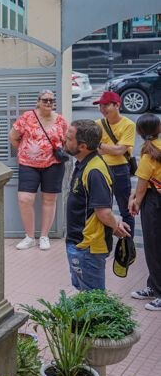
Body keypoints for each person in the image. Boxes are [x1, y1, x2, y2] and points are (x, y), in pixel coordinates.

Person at [63, 120, 130, 292]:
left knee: (93, 298)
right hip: (79, 244)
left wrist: (115, 225)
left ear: (83, 146)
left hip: (88, 247)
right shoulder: (84, 164)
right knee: (83, 291)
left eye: (69, 138)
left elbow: (103, 212)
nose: (64, 140)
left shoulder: (95, 171)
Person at [9, 90, 69, 251]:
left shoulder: (61, 121)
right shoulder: (27, 117)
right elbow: (13, 137)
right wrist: (26, 150)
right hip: (28, 164)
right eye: (45, 100)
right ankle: (29, 237)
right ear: (38, 101)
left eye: (51, 100)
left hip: (54, 165)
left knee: (49, 200)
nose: (49, 103)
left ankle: (44, 236)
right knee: (24, 199)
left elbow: (67, 141)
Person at [129, 113, 161, 311]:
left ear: (139, 132)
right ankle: (153, 286)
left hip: (154, 202)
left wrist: (136, 201)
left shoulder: (149, 152)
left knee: (154, 247)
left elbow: (141, 184)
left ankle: (158, 292)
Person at [95, 91, 136, 240]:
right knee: (102, 208)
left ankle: (128, 243)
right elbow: (94, 149)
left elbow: (120, 150)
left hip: (120, 170)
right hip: (101, 170)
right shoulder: (98, 124)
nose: (103, 109)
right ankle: (104, 239)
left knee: (125, 209)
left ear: (117, 105)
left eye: (106, 105)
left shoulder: (129, 125)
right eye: (100, 106)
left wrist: (101, 145)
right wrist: (109, 148)